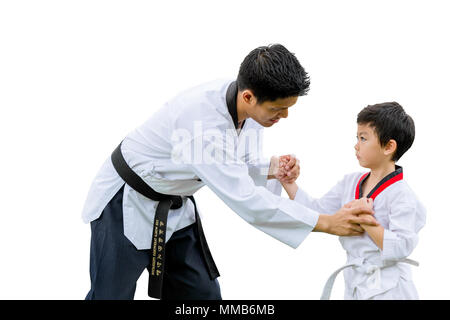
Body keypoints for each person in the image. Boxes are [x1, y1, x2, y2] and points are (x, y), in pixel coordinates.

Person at [81, 44, 377, 300]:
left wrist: (272, 170)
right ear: (249, 97)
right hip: (125, 204)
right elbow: (245, 199)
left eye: (289, 107)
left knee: (202, 297)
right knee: (111, 295)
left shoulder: (244, 108)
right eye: (278, 108)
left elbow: (236, 165)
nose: (284, 116)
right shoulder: (202, 125)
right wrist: (325, 222)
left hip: (175, 205)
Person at [281, 102, 426, 299]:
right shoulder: (350, 182)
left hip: (390, 289)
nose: (356, 145)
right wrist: (289, 182)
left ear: (389, 146)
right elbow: (316, 212)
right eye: (357, 137)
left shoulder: (402, 195)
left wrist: (364, 217)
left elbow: (401, 247)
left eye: (363, 138)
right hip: (355, 284)